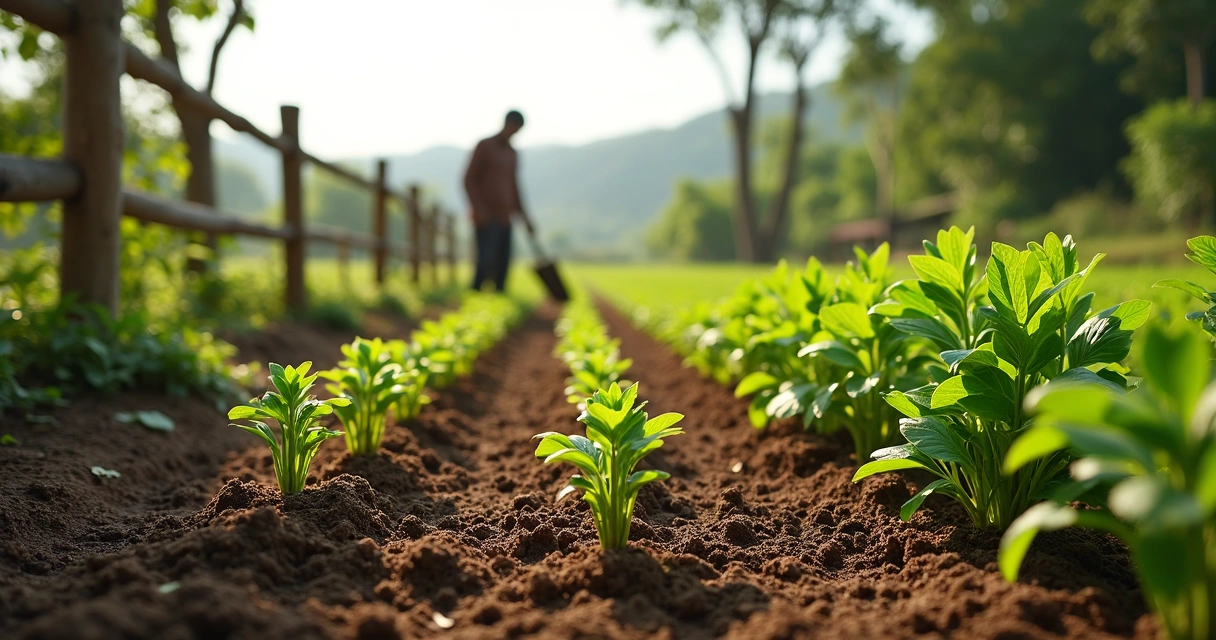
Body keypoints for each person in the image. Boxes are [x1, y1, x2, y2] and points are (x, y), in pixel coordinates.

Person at [463, 109, 534, 292]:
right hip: (486, 217)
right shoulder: (485, 146)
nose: (514, 132)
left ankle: (498, 300)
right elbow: (468, 179)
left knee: (503, 265)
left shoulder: (512, 154)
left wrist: (525, 218)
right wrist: (478, 209)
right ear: (507, 124)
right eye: (514, 128)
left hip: (505, 218)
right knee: (485, 262)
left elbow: (514, 187)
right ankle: (475, 300)